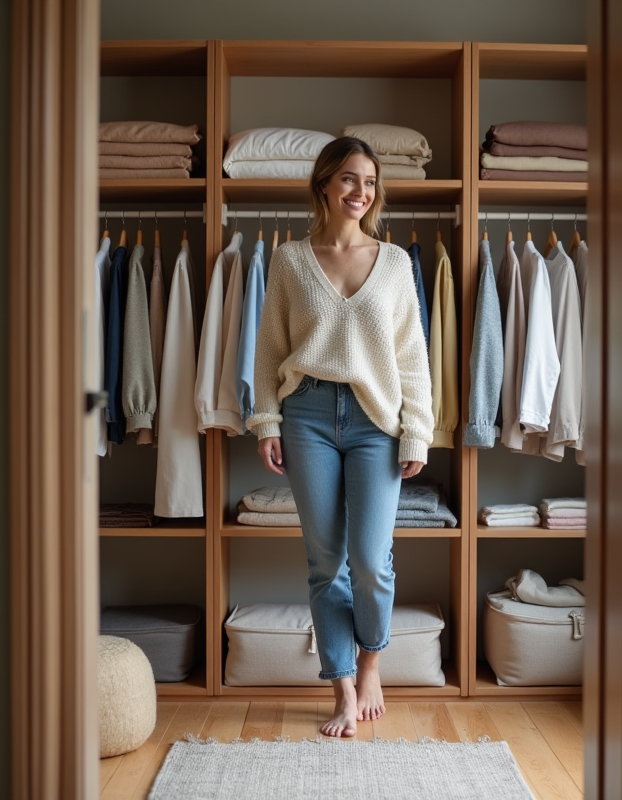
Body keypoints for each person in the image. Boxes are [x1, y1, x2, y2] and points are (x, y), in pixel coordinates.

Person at [247, 137, 433, 738]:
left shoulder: (396, 263)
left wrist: (417, 433)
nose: (361, 191)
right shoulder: (289, 261)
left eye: (370, 182)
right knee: (326, 562)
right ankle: (342, 687)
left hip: (377, 419)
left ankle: (372, 664)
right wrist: (267, 421)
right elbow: (269, 349)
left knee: (372, 562)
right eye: (350, 179)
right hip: (306, 415)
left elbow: (412, 358)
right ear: (325, 184)